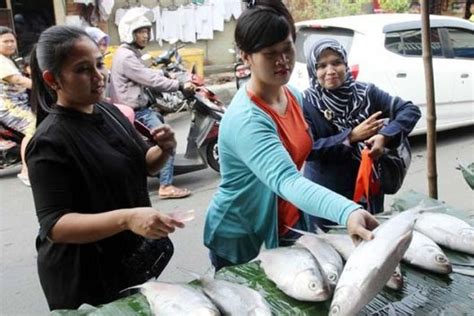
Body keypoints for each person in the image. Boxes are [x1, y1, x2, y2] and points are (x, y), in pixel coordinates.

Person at [203, 0, 379, 271]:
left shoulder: (293, 96)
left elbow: (313, 150)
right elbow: (286, 179)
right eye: (270, 53)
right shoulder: (247, 119)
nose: (282, 60)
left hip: (287, 217)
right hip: (241, 230)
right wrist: (347, 211)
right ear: (246, 56)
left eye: (287, 48)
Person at [26, 25, 185, 310]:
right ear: (53, 80)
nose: (99, 76)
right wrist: (127, 218)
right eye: (83, 69)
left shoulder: (108, 111)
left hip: (124, 263)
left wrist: (164, 149)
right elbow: (55, 225)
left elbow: (143, 164)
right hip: (83, 278)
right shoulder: (49, 141)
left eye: (99, 64)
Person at [302, 38, 421, 230]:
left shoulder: (366, 93)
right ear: (313, 71)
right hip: (326, 195)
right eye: (321, 66)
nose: (330, 70)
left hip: (368, 190)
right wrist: (351, 137)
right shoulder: (307, 102)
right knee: (333, 249)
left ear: (346, 65)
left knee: (369, 243)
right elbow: (308, 149)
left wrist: (384, 136)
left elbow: (410, 111)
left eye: (336, 62)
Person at [110, 9, 193, 199]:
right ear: (129, 32)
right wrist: (179, 85)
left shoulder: (129, 54)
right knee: (167, 141)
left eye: (147, 31)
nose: (145, 35)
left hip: (140, 108)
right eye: (141, 31)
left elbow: (145, 73)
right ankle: (166, 185)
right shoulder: (126, 56)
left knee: (159, 121)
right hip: (136, 111)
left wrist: (165, 73)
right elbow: (149, 79)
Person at [0, 26, 35, 186]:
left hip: (18, 103)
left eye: (12, 41)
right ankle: (26, 172)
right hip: (9, 107)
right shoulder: (1, 61)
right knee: (33, 127)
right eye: (5, 41)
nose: (10, 44)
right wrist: (44, 85)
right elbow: (18, 80)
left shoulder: (10, 59)